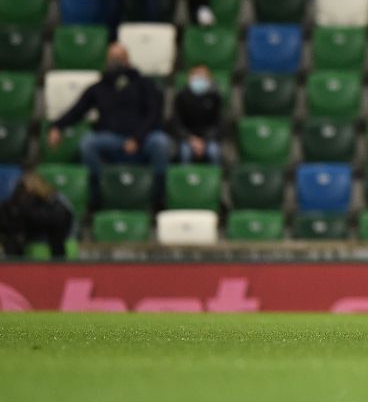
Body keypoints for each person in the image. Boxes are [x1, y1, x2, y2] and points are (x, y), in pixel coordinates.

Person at [48, 43, 170, 191]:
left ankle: (159, 192)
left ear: (128, 59)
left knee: (161, 142)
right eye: (113, 57)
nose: (116, 60)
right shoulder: (98, 88)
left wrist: (137, 138)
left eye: (120, 57)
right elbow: (77, 111)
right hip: (111, 139)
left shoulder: (144, 84)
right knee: (88, 144)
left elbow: (154, 113)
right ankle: (99, 191)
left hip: (143, 139)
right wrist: (57, 126)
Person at [0, 170, 74, 259]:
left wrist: (27, 210)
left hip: (58, 235)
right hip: (33, 233)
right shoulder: (24, 199)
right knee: (14, 236)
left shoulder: (57, 200)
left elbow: (56, 220)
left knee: (55, 235)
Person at [172, 65, 223, 164]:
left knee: (214, 152)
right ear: (190, 78)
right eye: (196, 76)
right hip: (187, 138)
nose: (199, 79)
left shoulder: (215, 97)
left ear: (209, 80)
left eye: (203, 76)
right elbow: (176, 123)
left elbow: (219, 124)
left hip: (208, 138)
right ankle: (185, 178)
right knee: (184, 152)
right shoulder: (181, 97)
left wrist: (204, 140)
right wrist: (190, 139)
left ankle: (217, 178)